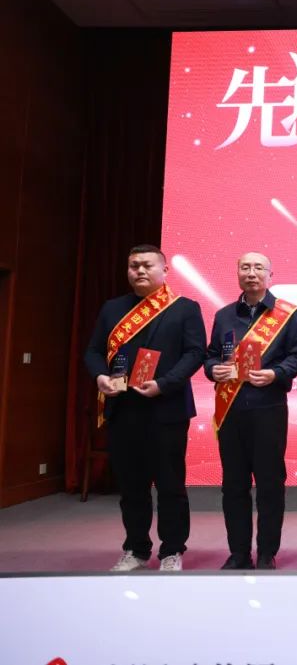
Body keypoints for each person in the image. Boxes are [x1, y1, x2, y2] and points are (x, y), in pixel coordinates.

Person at [85, 245, 206, 572]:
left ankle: (172, 550)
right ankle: (136, 548)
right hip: (123, 409)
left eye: (147, 265)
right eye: (133, 265)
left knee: (170, 485)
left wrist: (164, 384)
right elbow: (94, 351)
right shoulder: (113, 308)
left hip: (167, 409)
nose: (139, 270)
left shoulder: (184, 308)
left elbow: (195, 354)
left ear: (164, 270)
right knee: (131, 486)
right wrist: (100, 376)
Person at [205, 252, 297, 570]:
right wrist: (213, 369)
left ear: (270, 275)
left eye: (258, 267)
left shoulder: (288, 314)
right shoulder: (224, 315)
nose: (251, 273)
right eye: (245, 267)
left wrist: (276, 373)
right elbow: (211, 356)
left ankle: (266, 551)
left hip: (268, 408)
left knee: (270, 483)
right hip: (231, 411)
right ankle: (238, 552)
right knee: (233, 484)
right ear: (237, 273)